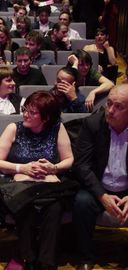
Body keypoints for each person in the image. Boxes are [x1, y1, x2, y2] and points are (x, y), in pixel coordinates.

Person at [0, 91, 74, 270]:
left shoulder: (57, 128)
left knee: (55, 207)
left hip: (48, 187)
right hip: (21, 186)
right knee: (24, 205)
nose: (25, 114)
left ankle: (46, 262)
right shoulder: (14, 128)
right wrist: (23, 168)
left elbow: (69, 160)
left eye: (32, 112)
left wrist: (54, 167)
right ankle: (28, 259)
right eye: (25, 109)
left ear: (46, 117)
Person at [72, 85, 128, 270]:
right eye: (109, 104)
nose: (110, 111)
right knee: (81, 201)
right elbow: (82, 165)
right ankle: (86, 257)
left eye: (119, 106)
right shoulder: (93, 124)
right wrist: (102, 196)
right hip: (99, 186)